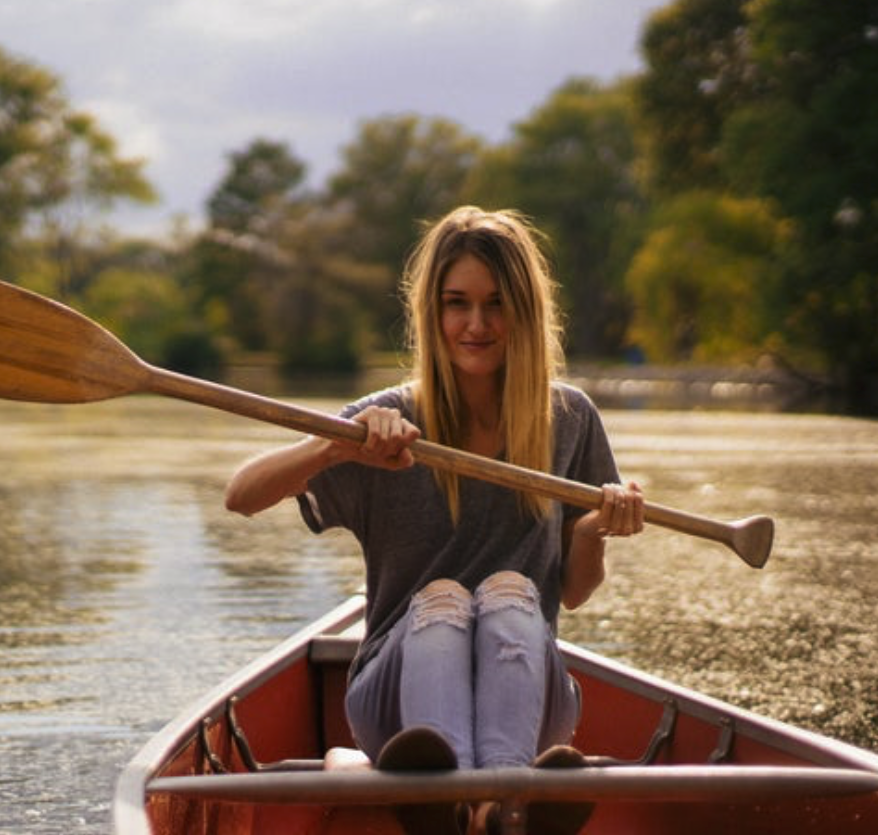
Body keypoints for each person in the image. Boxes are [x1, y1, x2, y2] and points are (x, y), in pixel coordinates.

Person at [225, 206, 644, 834]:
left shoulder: (570, 418)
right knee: (444, 598)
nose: (476, 323)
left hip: (530, 706)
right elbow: (241, 496)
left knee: (512, 593)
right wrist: (337, 445)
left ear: (525, 311)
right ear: (433, 311)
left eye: (497, 304)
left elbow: (576, 593)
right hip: (400, 715)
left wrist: (592, 532)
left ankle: (474, 806)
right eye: (457, 303)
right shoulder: (382, 421)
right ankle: (497, 804)